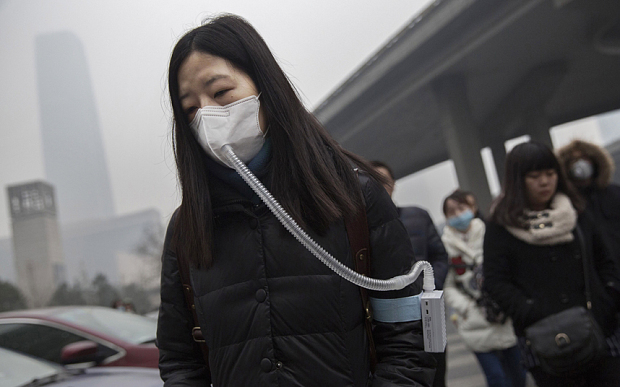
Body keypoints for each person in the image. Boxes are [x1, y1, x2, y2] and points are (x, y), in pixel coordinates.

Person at [156, 14, 435, 387]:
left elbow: (406, 337)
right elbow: (179, 361)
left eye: (221, 92)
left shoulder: (352, 199)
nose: (207, 115)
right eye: (190, 108)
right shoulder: (187, 229)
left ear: (265, 87)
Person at [483, 141, 620, 386]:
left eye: (550, 173)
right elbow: (496, 281)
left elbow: (605, 261)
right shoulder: (501, 225)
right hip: (545, 341)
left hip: (598, 330)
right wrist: (533, 313)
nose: (545, 182)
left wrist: (606, 302)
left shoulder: (575, 211)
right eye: (534, 176)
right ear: (517, 180)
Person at [370, 160, 449, 387]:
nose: (380, 187)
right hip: (386, 323)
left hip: (426, 314)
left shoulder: (418, 216)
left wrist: (428, 291)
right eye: (373, 181)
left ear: (394, 184)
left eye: (384, 180)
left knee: (437, 375)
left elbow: (440, 257)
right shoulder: (357, 228)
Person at [441, 190, 525, 387]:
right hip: (474, 320)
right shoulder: (444, 246)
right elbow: (447, 286)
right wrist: (466, 308)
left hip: (504, 314)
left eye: (461, 208)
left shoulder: (492, 233)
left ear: (473, 208)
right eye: (451, 211)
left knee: (519, 374)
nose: (457, 215)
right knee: (496, 378)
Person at [557, 139, 620, 263]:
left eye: (584, 158)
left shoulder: (614, 193)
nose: (580, 163)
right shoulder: (567, 203)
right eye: (573, 160)